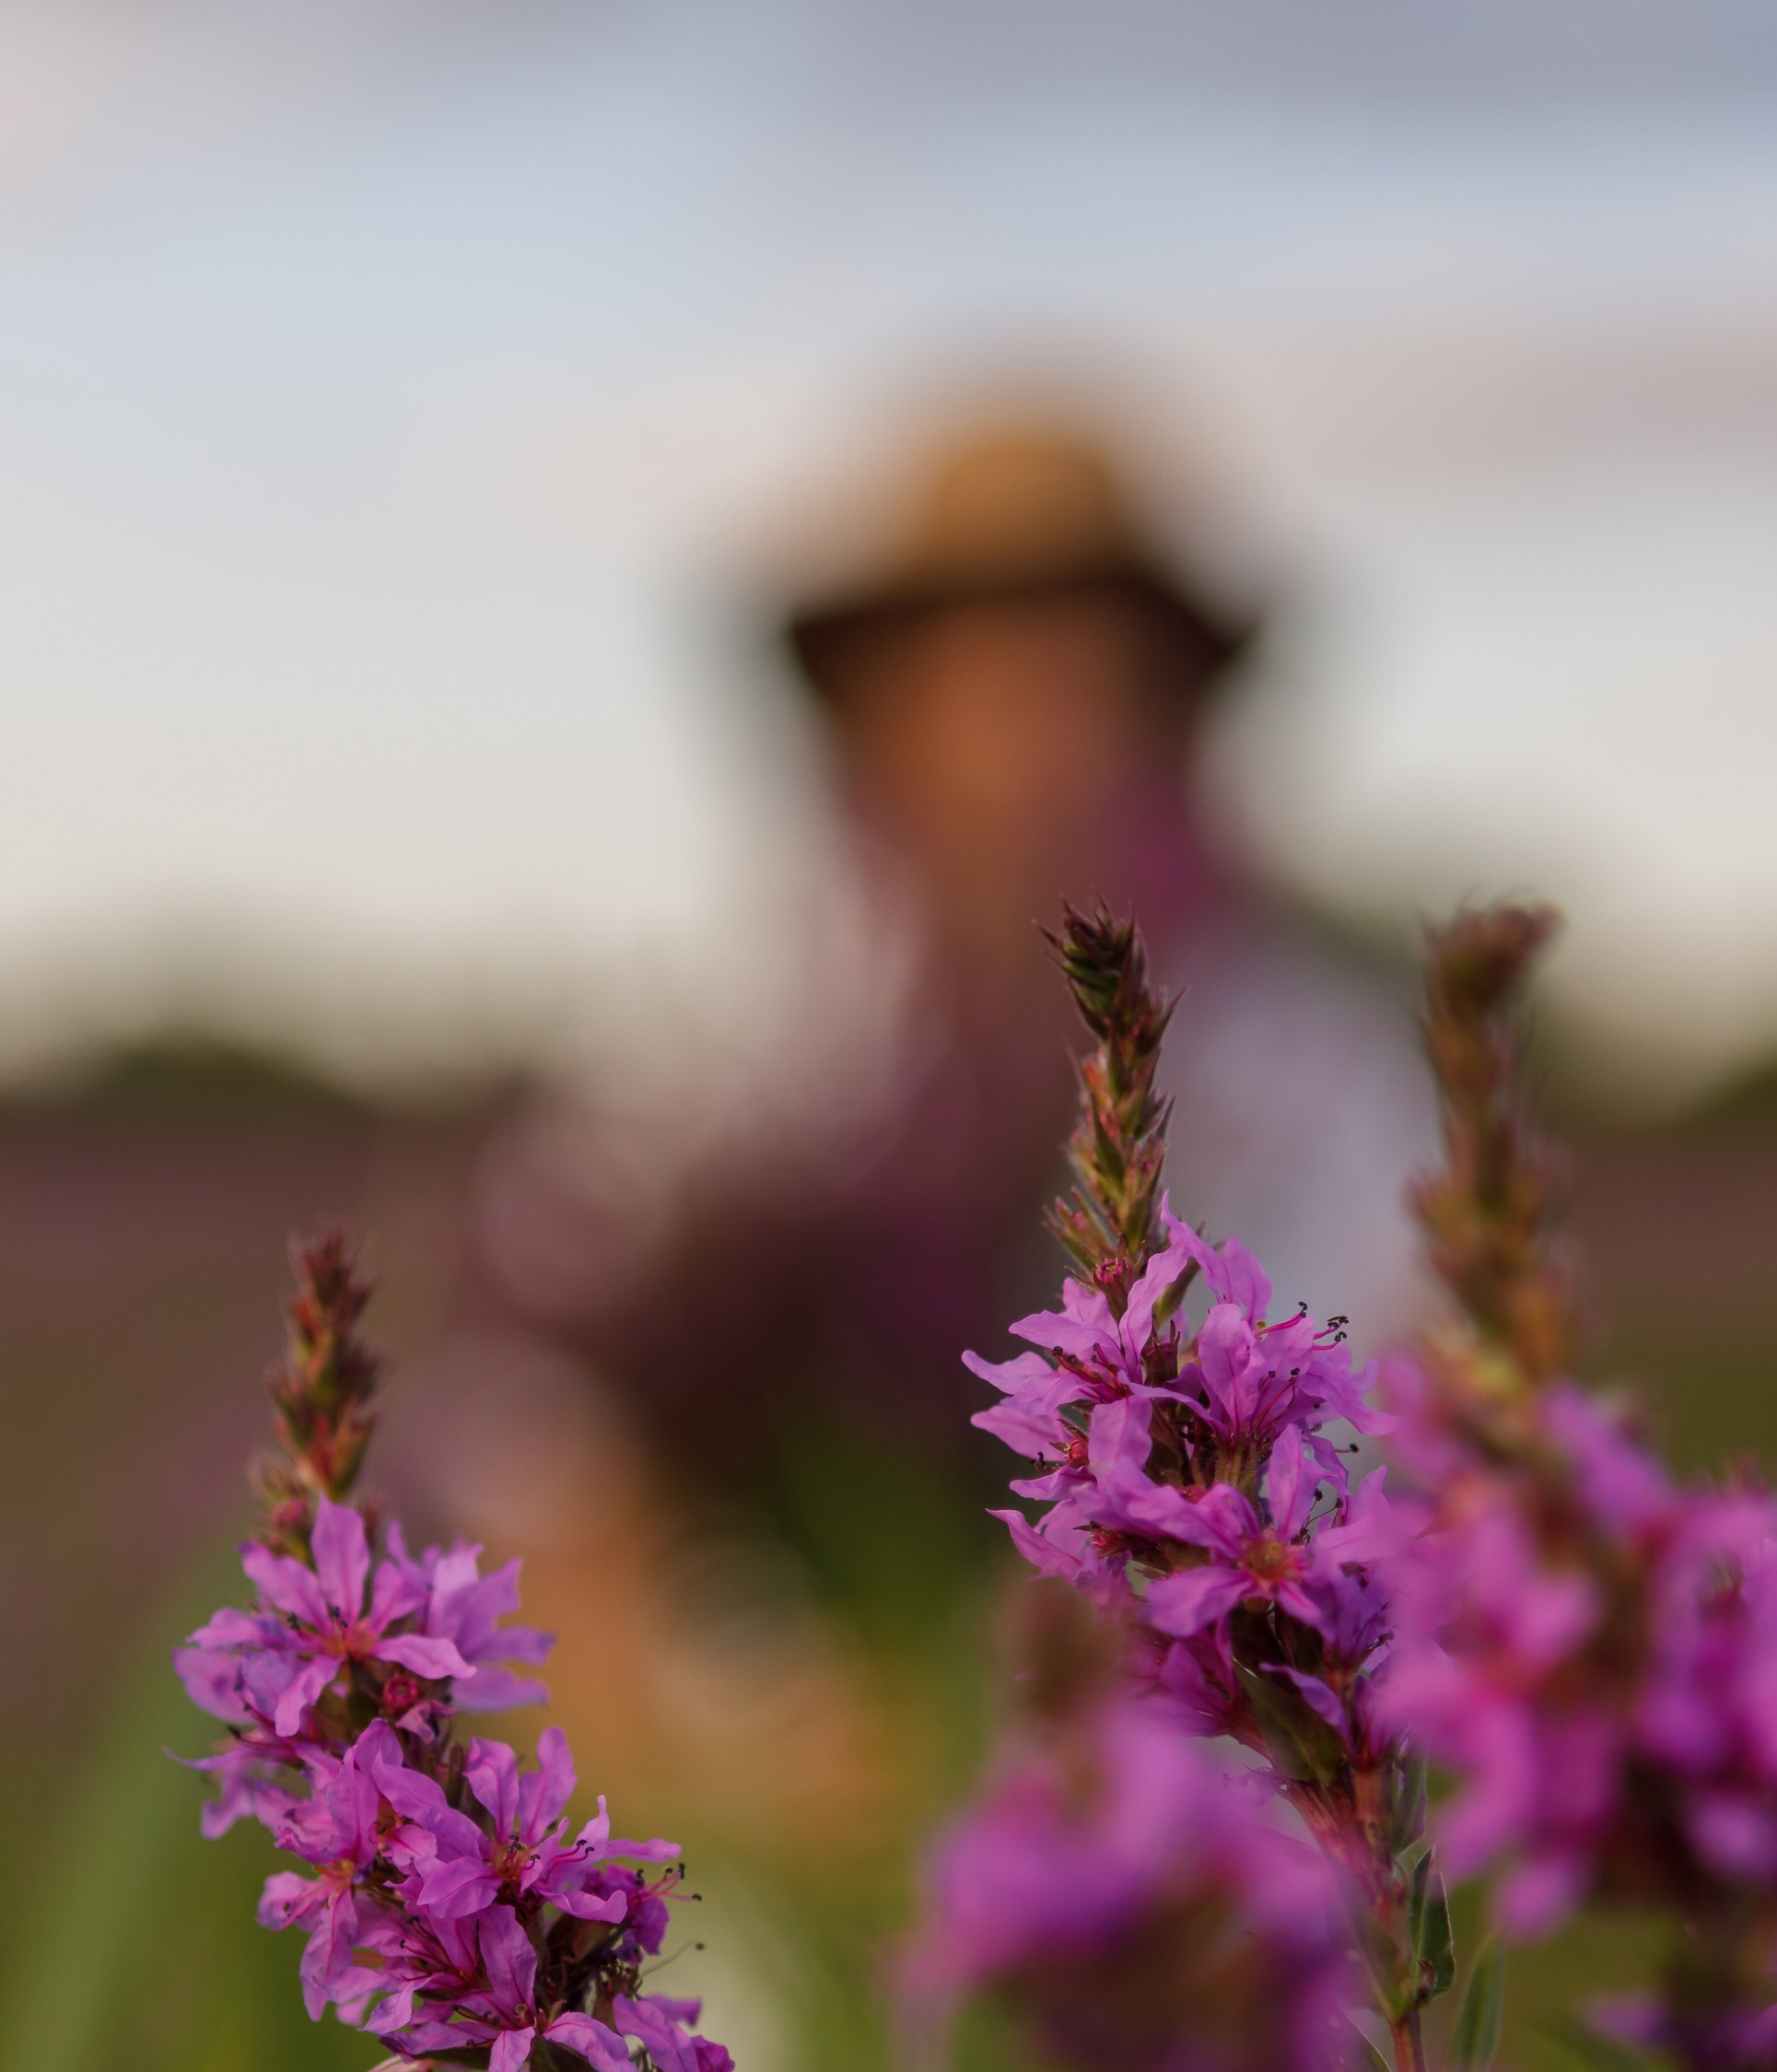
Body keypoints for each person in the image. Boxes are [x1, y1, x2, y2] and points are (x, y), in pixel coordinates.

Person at [469, 410, 1432, 1581]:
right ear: (882, 723)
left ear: (1172, 723)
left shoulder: (1305, 1052)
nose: (1039, 741)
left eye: (1090, 684)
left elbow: (1368, 1395)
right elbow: (525, 1341)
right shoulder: (749, 1008)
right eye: (981, 687)